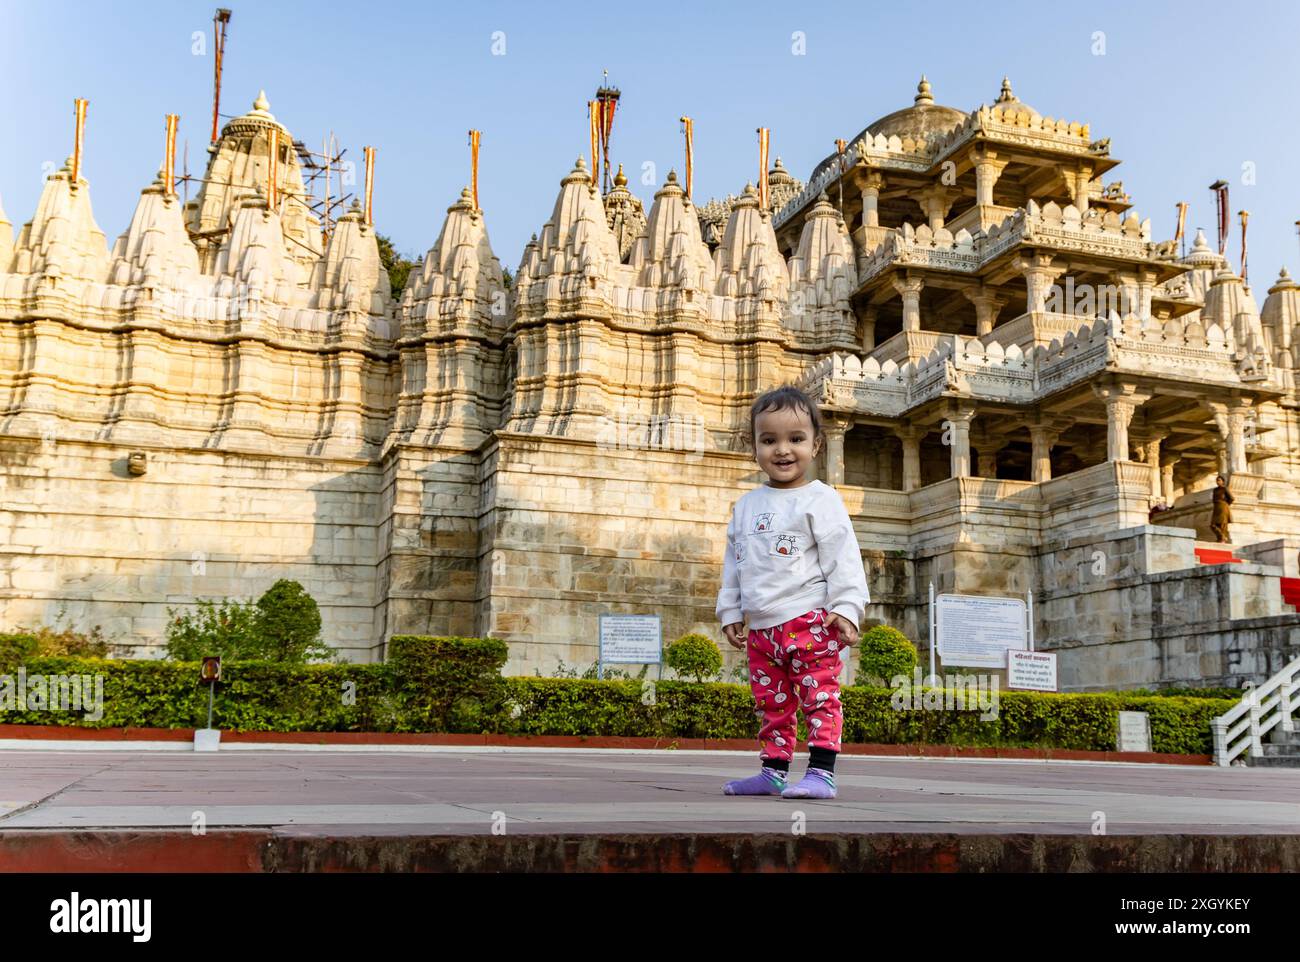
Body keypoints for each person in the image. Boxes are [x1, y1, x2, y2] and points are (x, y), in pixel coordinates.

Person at [715, 384, 871, 800]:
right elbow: (736, 562)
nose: (783, 450)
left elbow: (844, 558)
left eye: (796, 439)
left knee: (819, 697)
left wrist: (848, 608)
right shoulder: (746, 505)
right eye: (770, 440)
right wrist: (730, 610)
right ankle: (774, 770)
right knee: (772, 702)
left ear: (816, 445)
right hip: (762, 628)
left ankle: (821, 772)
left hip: (810, 619)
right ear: (754, 448)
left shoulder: (822, 500)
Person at [1210, 474, 1234, 543]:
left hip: (1223, 507)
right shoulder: (1215, 490)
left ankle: (1221, 539)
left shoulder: (1225, 488)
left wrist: (1226, 504)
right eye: (1217, 480)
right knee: (1213, 525)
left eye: (1219, 480)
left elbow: (1231, 498)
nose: (1218, 482)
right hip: (1216, 507)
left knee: (1222, 524)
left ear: (1223, 481)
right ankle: (1222, 537)